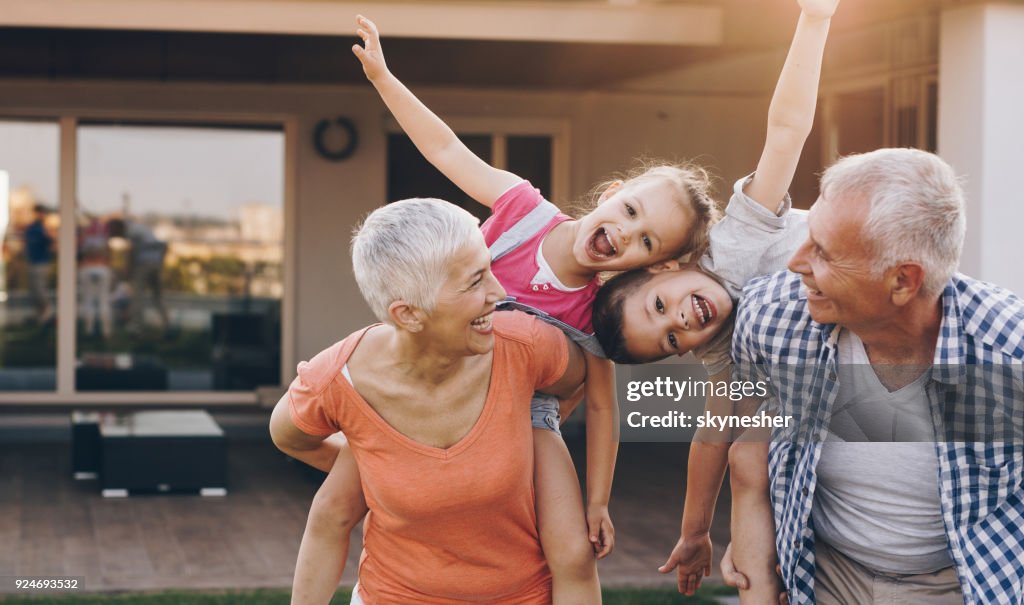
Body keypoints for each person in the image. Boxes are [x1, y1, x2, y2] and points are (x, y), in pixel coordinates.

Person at [292, 15, 723, 605]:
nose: (626, 234)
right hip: (433, 383)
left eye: (647, 242)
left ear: (650, 267)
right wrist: (384, 79)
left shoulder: (596, 311)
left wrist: (597, 501)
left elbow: (601, 406)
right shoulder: (522, 210)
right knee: (341, 499)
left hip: (526, 420)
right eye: (629, 212)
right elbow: (445, 147)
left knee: (570, 549)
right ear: (609, 195)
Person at [590, 0, 838, 601]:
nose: (681, 322)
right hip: (859, 381)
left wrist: (814, 19)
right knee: (751, 455)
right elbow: (711, 440)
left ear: (667, 266)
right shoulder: (727, 352)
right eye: (672, 339)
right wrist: (695, 532)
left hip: (881, 278)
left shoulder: (734, 245)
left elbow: (785, 133)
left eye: (660, 307)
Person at [718, 147, 1024, 604]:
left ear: (903, 281)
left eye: (823, 252)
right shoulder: (770, 316)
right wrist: (757, 554)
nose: (796, 263)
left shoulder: (1008, 354)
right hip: (824, 571)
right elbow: (748, 454)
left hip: (960, 581)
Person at [270, 198, 587, 604]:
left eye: (489, 270)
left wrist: (529, 430)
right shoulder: (339, 380)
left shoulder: (527, 346)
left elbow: (580, 380)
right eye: (474, 282)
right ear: (409, 315)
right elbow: (290, 437)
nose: (499, 292)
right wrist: (374, 467)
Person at [107, 217, 169, 333]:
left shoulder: (131, 231)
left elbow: (132, 252)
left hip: (144, 264)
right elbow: (162, 246)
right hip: (156, 263)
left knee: (137, 296)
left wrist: (127, 270)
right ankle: (166, 325)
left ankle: (136, 327)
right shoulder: (139, 228)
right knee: (158, 296)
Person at [24, 203, 55, 323]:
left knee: (40, 288)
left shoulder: (44, 228)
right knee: (34, 289)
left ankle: (47, 312)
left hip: (41, 262)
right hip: (33, 261)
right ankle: (41, 314)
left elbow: (50, 242)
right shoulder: (32, 228)